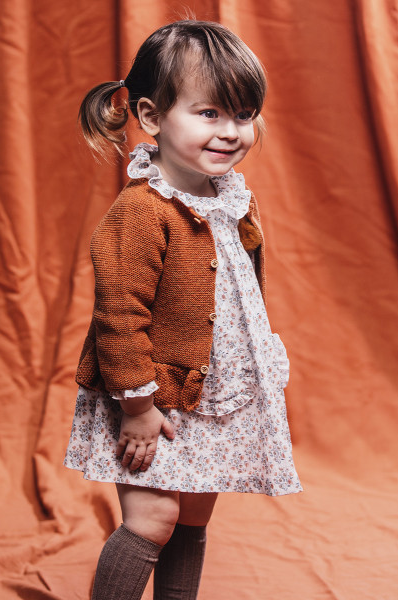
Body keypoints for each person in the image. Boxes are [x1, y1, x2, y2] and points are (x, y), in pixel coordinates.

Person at [64, 19, 303, 600]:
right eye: (209, 113)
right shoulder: (142, 212)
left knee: (192, 520)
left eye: (243, 115)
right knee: (153, 519)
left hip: (214, 396)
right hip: (150, 399)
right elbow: (119, 316)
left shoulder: (232, 201)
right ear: (151, 117)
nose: (230, 132)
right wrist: (137, 407)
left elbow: (240, 292)